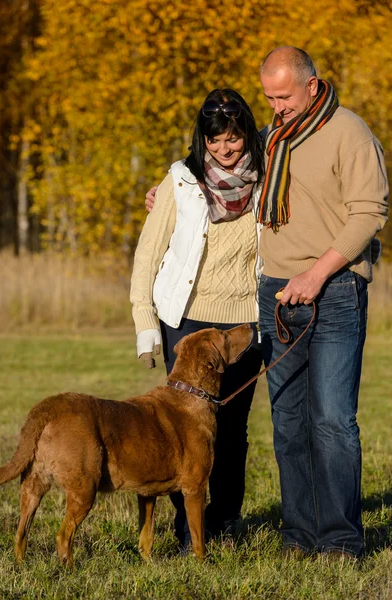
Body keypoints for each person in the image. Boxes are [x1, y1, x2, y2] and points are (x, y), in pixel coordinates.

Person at [257, 46, 388, 559]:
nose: (275, 106)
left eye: (283, 96)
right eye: (268, 97)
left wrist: (316, 273)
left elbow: (369, 212)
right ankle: (299, 535)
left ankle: (340, 540)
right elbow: (231, 178)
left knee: (331, 420)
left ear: (312, 86)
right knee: (288, 422)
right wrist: (168, 192)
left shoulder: (349, 132)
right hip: (276, 291)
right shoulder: (274, 138)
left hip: (333, 291)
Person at [130, 88, 264, 550]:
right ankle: (189, 528)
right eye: (214, 141)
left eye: (233, 138)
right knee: (181, 431)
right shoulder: (181, 181)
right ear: (201, 139)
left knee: (232, 431)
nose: (225, 149)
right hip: (184, 321)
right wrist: (145, 324)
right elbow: (148, 254)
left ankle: (224, 522)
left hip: (242, 323)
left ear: (247, 132)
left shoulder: (268, 180)